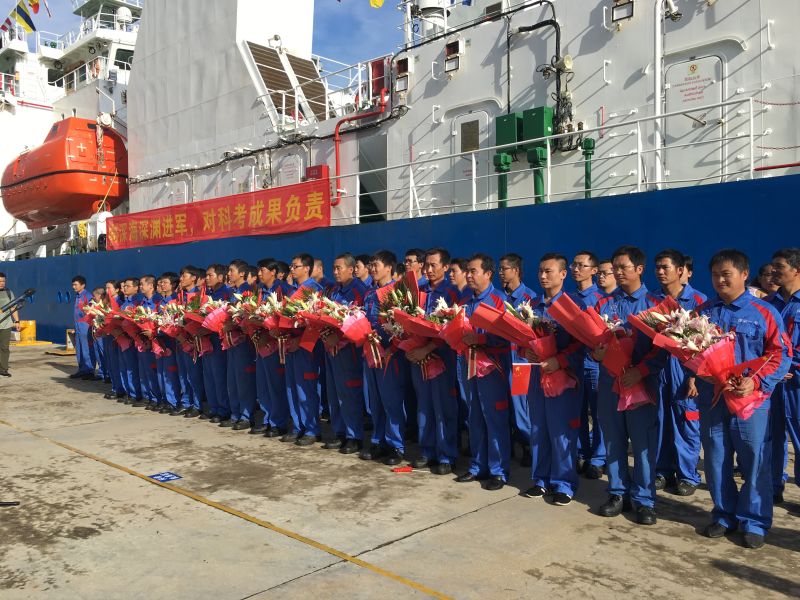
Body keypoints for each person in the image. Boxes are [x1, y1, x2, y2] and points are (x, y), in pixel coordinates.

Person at [696, 249, 789, 549]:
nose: (720, 280)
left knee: (754, 461)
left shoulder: (764, 312)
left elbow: (780, 354)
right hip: (714, 400)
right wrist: (699, 371)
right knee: (716, 459)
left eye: (727, 274)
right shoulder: (704, 313)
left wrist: (757, 380)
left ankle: (754, 521)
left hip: (751, 402)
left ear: (744, 274)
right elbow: (691, 352)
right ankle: (724, 515)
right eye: (715, 275)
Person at [594, 246, 664, 526]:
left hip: (641, 384)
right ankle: (617, 492)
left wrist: (641, 370)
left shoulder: (656, 305)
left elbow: (665, 349)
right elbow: (593, 340)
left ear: (639, 269)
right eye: (615, 268)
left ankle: (644, 500)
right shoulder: (604, 304)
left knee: (643, 443)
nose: (618, 273)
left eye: (623, 267)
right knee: (613, 439)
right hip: (611, 383)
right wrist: (596, 354)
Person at [523, 253, 582, 504]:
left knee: (561, 431)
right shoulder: (532, 306)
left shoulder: (572, 306)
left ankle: (564, 483)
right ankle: (541, 479)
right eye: (540, 271)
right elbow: (521, 336)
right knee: (538, 428)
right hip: (537, 375)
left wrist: (561, 360)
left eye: (549, 271)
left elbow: (582, 344)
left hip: (562, 378)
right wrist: (524, 350)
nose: (543, 276)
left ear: (563, 274)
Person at [651, 250, 706, 496]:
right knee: (659, 420)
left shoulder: (699, 301)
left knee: (686, 422)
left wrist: (695, 375)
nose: (661, 272)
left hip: (685, 373)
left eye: (666, 267)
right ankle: (662, 470)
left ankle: (687, 475)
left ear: (681, 270)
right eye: (658, 268)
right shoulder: (652, 301)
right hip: (658, 369)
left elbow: (707, 342)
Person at [457, 253, 512, 490]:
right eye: (467, 271)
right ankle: (477, 466)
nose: (468, 275)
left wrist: (480, 338)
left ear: (488, 274)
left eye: (473, 271)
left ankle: (498, 470)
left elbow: (508, 337)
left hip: (493, 370)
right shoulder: (464, 302)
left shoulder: (500, 301)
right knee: (475, 417)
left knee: (495, 419)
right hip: (469, 367)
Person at [407, 247, 460, 474]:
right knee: (424, 406)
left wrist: (428, 348)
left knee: (443, 408)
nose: (428, 270)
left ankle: (447, 454)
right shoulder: (418, 291)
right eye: (426, 265)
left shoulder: (452, 293)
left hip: (442, 358)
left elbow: (452, 329)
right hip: (420, 359)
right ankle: (427, 450)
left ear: (445, 267)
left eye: (433, 265)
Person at [362, 250, 408, 465]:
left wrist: (392, 347)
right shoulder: (369, 293)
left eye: (376, 264)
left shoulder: (398, 292)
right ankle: (378, 440)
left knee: (391, 401)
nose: (372, 268)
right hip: (371, 353)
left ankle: (396, 445)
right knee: (376, 401)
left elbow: (405, 326)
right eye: (370, 264)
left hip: (390, 355)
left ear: (389, 267)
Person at [323, 253, 369, 453]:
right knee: (334, 392)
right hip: (331, 349)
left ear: (351, 270)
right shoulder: (334, 291)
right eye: (333, 268)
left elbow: (359, 321)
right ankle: (339, 431)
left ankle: (354, 436)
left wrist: (340, 338)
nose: (335, 272)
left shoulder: (359, 291)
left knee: (350, 393)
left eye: (339, 268)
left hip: (349, 350)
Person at [569, 251, 606, 479]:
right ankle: (581, 451)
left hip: (594, 365)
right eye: (574, 264)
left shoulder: (601, 300)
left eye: (581, 265)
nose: (576, 269)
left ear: (594, 271)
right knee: (578, 412)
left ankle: (599, 457)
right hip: (574, 363)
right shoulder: (569, 298)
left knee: (600, 413)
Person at [767, 247, 800, 506]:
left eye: (779, 267)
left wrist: (790, 366)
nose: (773, 271)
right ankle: (773, 485)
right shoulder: (769, 304)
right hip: (771, 381)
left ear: (796, 270)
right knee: (771, 435)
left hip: (796, 383)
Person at [498, 253, 537, 467]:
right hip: (500, 358)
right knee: (505, 405)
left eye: (504, 268)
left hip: (520, 361)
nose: (501, 272)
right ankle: (513, 442)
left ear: (516, 271)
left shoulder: (529, 298)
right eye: (499, 269)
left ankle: (529, 445)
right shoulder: (498, 297)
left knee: (522, 406)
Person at [283, 253, 325, 446]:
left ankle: (312, 428)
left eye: (295, 266)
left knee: (306, 388)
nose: (292, 269)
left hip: (307, 346)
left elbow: (316, 322)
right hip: (291, 345)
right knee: (292, 387)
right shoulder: (292, 291)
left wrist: (299, 341)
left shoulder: (314, 290)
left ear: (306, 268)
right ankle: (298, 425)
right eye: (291, 266)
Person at [254, 259, 292, 437]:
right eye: (258, 271)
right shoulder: (260, 291)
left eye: (262, 270)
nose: (259, 274)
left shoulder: (283, 290)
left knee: (276, 385)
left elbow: (289, 317)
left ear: (273, 272)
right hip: (262, 343)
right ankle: (268, 418)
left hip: (277, 344)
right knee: (264, 385)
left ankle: (280, 422)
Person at [224, 259, 258, 430]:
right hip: (231, 342)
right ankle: (235, 413)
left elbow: (249, 317)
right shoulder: (233, 292)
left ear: (242, 274)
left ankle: (246, 415)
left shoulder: (248, 292)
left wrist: (236, 324)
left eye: (231, 271)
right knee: (232, 379)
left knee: (244, 379)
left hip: (243, 342)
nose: (229, 274)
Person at [174, 266, 205, 417]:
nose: (181, 279)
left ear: (193, 278)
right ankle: (187, 402)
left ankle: (197, 404)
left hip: (193, 340)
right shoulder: (180, 296)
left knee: (194, 374)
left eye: (184, 276)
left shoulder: (199, 296)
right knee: (183, 374)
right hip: (180, 339)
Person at [203, 264, 232, 423]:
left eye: (210, 275)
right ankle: (214, 407)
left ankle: (223, 409)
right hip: (206, 338)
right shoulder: (207, 294)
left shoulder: (226, 293)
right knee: (209, 376)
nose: (207, 278)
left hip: (218, 339)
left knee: (219, 375)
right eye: (206, 275)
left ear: (221, 277)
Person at [154, 273, 182, 414]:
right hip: (160, 340)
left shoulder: (176, 301)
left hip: (171, 341)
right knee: (162, 372)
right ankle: (165, 399)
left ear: (173, 285)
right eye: (161, 283)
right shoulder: (161, 302)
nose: (162, 285)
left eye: (165, 283)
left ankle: (173, 401)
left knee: (171, 373)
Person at [137, 275, 163, 409]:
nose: (140, 287)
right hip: (144, 340)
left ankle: (157, 397)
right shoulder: (142, 302)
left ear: (151, 286)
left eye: (142, 284)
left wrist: (152, 336)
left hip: (156, 341)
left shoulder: (158, 301)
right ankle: (149, 396)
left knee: (155, 371)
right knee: (145, 371)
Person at [70, 275, 98, 380]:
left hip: (86, 326)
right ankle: (82, 369)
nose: (74, 287)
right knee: (79, 349)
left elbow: (91, 312)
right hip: (78, 326)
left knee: (87, 348)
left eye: (76, 284)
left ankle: (89, 370)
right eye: (73, 284)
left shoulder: (88, 296)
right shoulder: (78, 296)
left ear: (83, 285)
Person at [102, 280, 126, 400]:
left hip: (117, 336)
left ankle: (119, 389)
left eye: (109, 288)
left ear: (117, 290)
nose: (107, 291)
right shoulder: (107, 303)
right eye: (106, 288)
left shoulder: (119, 303)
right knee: (111, 362)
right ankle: (115, 386)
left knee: (117, 363)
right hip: (108, 335)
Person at [0, 273, 21, 377]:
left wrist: (17, 321)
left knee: (4, 348)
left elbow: (13, 308)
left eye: (3, 281)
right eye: (0, 281)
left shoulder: (9, 292)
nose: (1, 283)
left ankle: (3, 369)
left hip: (6, 325)